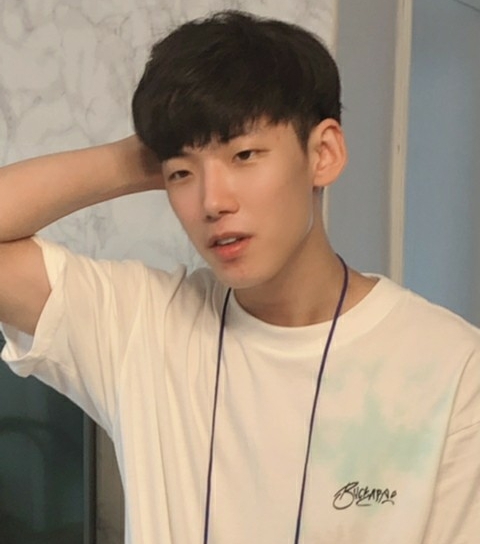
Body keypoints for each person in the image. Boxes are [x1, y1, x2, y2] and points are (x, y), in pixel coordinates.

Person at [0, 10, 479, 544]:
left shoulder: (453, 369)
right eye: (182, 173)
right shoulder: (141, 326)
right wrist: (141, 155)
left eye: (244, 154)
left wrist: (189, 148)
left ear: (323, 154)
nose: (212, 201)